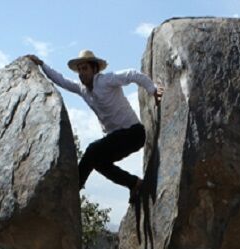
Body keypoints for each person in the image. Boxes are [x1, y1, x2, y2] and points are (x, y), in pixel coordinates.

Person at [26, 50, 163, 203]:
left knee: (92, 150)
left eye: (85, 69)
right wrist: (42, 64)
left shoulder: (106, 80)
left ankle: (71, 190)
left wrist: (153, 90)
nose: (81, 73)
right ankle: (135, 183)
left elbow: (133, 74)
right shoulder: (82, 89)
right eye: (79, 70)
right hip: (116, 138)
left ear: (94, 69)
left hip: (133, 133)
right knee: (98, 162)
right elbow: (62, 81)